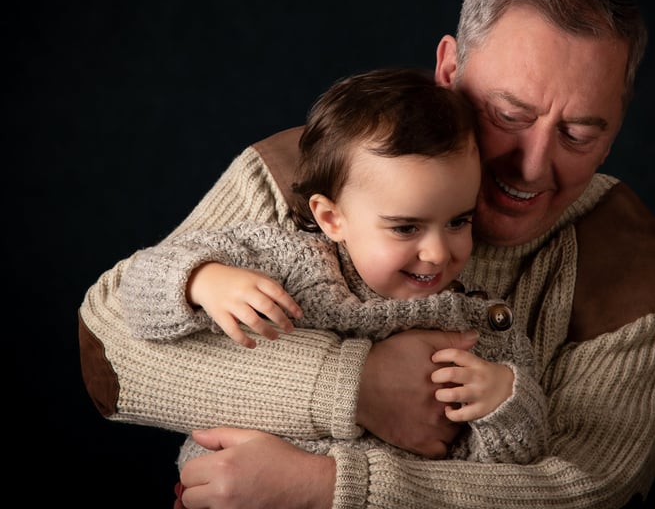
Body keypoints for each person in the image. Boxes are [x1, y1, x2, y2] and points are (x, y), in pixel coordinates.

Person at [78, 0, 655, 508]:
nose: (534, 167)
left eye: (577, 134)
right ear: (451, 70)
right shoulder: (308, 172)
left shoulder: (641, 275)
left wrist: (327, 488)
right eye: (509, 114)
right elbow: (108, 354)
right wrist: (356, 387)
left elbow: (589, 492)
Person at [116, 67, 548, 474]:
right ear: (331, 218)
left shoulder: (475, 329)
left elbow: (508, 467)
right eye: (405, 228)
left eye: (458, 221)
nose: (437, 253)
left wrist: (504, 399)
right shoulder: (289, 264)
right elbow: (135, 291)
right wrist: (202, 280)